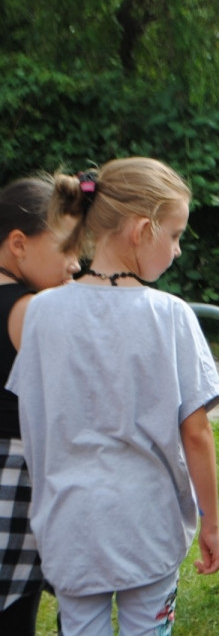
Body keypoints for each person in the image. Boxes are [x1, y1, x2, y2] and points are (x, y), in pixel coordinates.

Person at [6, 157, 219, 635]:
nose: (179, 249)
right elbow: (197, 432)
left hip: (68, 525)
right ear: (142, 230)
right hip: (147, 526)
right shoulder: (170, 316)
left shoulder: (40, 313)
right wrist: (210, 522)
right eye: (174, 234)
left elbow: (34, 415)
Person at [0, 177, 79, 635]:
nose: (76, 264)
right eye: (67, 248)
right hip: (13, 475)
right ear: (18, 244)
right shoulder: (27, 310)